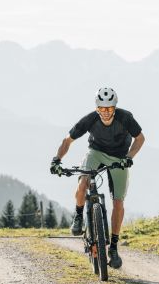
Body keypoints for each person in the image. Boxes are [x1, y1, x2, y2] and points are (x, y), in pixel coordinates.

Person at [50, 87, 145, 269]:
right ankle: (78, 216)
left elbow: (140, 138)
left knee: (118, 202)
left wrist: (129, 158)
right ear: (97, 108)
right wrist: (57, 160)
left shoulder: (125, 118)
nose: (106, 112)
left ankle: (114, 248)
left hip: (119, 158)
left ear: (115, 107)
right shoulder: (90, 119)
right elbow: (67, 140)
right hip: (96, 153)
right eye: (102, 108)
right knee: (84, 180)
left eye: (109, 108)